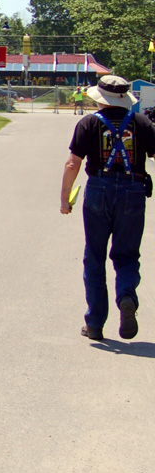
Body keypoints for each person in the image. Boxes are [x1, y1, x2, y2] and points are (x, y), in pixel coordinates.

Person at [60, 75, 155, 341]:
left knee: (95, 256)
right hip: (133, 191)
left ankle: (95, 323)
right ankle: (126, 296)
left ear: (100, 98)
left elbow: (72, 164)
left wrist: (65, 198)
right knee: (126, 256)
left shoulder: (89, 123)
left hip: (99, 190)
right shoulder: (142, 123)